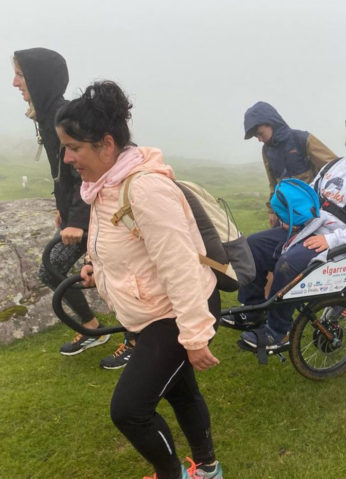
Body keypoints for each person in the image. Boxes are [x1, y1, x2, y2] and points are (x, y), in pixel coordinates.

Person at [55, 81, 223, 479]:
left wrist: (195, 335)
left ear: (107, 144)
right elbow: (121, 241)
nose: (66, 158)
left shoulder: (145, 188)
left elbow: (180, 264)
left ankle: (173, 474)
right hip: (153, 309)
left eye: (75, 147)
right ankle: (209, 469)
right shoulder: (105, 185)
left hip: (175, 311)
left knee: (129, 411)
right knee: (182, 391)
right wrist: (98, 268)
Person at [226, 101, 346, 350]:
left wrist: (330, 240)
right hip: (307, 229)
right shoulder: (333, 166)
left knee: (287, 264)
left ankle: (277, 332)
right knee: (252, 246)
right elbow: (311, 198)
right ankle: (254, 311)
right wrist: (291, 216)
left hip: (335, 240)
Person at [12, 47, 135, 368]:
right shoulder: (51, 114)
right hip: (80, 213)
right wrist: (62, 210)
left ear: (39, 78)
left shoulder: (62, 115)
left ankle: (133, 337)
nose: (14, 83)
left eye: (20, 75)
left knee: (102, 271)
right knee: (76, 270)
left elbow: (92, 168)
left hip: (98, 212)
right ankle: (95, 328)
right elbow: (64, 175)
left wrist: (79, 219)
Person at [244, 101, 337, 227]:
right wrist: (272, 210)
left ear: (271, 123)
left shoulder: (302, 139)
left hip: (312, 209)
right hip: (285, 210)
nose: (260, 139)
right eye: (256, 136)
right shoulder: (266, 150)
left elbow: (334, 167)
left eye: (260, 133)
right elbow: (273, 183)